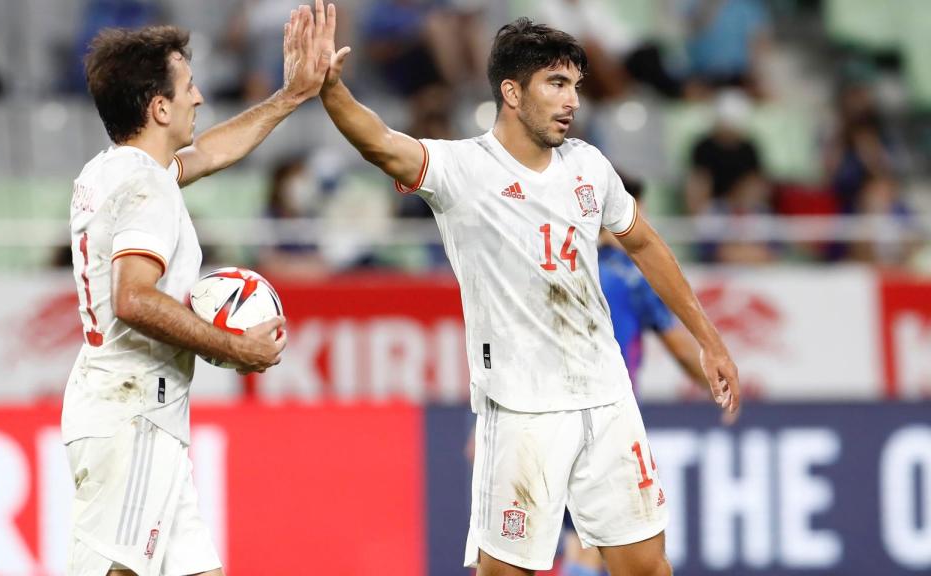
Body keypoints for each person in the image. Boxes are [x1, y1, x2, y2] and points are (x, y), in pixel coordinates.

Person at [315, 4, 740, 575]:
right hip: (521, 408)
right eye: (557, 83)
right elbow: (381, 143)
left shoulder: (589, 166)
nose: (573, 100)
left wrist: (709, 339)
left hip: (605, 395)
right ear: (512, 93)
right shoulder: (462, 169)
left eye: (575, 85)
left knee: (647, 566)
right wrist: (330, 89)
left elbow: (645, 244)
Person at [63, 11, 329, 575]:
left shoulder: (112, 171)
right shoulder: (145, 185)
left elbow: (209, 153)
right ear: (159, 107)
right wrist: (232, 347)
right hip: (132, 413)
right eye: (188, 88)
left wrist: (291, 95)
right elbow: (134, 297)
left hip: (136, 409)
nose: (200, 98)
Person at [560, 175, 714, 576]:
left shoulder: (561, 265)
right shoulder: (631, 277)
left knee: (577, 538)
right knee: (611, 540)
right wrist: (716, 384)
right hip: (607, 421)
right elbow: (680, 348)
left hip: (550, 415)